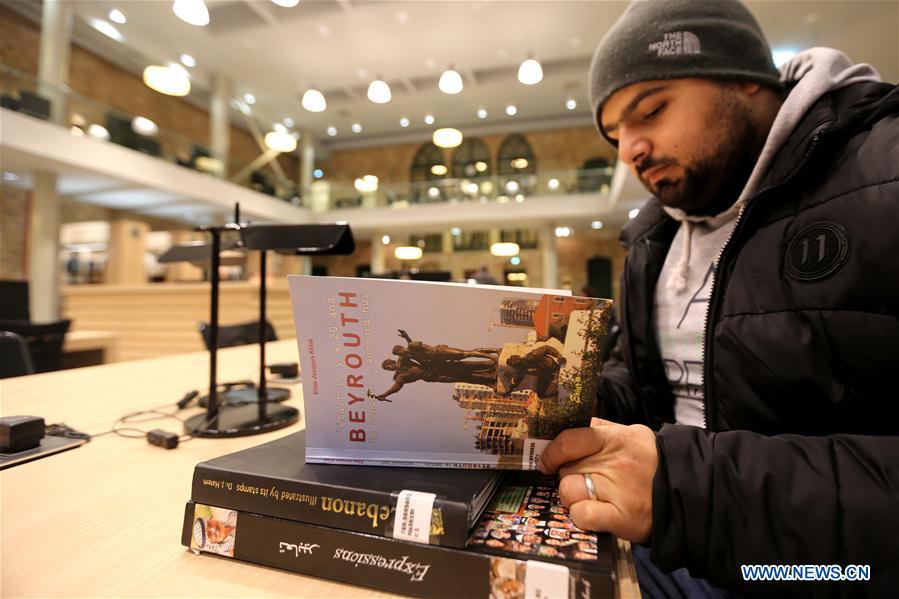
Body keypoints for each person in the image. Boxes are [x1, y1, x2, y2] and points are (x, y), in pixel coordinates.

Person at [537, 0, 899, 596]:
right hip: (666, 539)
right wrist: (573, 399)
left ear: (743, 77)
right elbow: (647, 390)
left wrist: (689, 493)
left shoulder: (883, 173)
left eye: (651, 109)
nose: (629, 151)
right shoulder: (654, 240)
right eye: (615, 135)